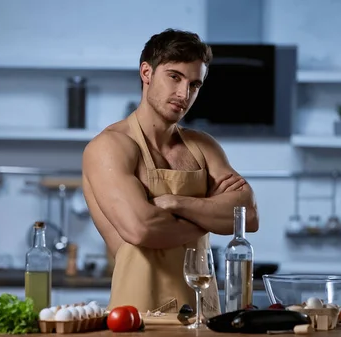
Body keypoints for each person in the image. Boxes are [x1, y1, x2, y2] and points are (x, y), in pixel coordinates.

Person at [81, 28, 259, 317]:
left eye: (195, 84)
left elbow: (248, 216)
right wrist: (212, 219)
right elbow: (142, 228)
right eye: (174, 77)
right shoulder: (109, 146)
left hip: (205, 314)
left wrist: (177, 203)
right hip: (139, 315)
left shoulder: (203, 146)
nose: (184, 94)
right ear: (147, 72)